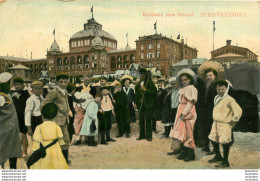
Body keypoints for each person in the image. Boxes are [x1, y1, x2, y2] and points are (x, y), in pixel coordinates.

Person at [208, 80, 242, 168]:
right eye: (219, 89)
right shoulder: (216, 97)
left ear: (226, 89)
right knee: (213, 139)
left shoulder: (229, 99)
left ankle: (225, 161)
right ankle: (218, 156)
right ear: (216, 89)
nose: (220, 91)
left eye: (222, 89)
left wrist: (234, 120)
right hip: (216, 122)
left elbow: (238, 110)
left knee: (224, 142)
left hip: (225, 123)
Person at [168, 69, 198, 162]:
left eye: (186, 79)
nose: (184, 81)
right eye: (183, 80)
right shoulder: (182, 89)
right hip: (181, 111)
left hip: (188, 112)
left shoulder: (192, 88)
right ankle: (184, 152)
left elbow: (190, 103)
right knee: (182, 133)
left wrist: (184, 113)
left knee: (189, 134)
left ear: (190, 79)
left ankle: (191, 154)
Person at [41, 72, 71, 164]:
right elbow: (44, 104)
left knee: (66, 140)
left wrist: (68, 114)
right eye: (61, 82)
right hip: (56, 120)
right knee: (55, 140)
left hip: (64, 119)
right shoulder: (54, 92)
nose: (63, 84)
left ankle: (64, 159)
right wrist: (50, 115)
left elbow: (66, 104)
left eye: (65, 82)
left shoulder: (65, 91)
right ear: (57, 82)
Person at [30, 103, 69, 169]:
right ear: (55, 115)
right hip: (55, 147)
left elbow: (37, 140)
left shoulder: (39, 127)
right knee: (57, 164)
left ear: (42, 115)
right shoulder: (57, 126)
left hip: (43, 148)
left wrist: (35, 150)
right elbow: (60, 138)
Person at [0, 72, 22, 169]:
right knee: (5, 151)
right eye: (10, 83)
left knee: (11, 151)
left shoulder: (6, 95)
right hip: (5, 130)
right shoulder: (2, 97)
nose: (12, 85)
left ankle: (11, 170)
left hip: (10, 129)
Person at [135, 68, 157, 141]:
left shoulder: (149, 83)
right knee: (141, 120)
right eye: (141, 74)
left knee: (148, 120)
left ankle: (149, 136)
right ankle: (142, 135)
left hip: (148, 104)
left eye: (143, 74)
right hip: (140, 104)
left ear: (146, 75)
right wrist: (138, 100)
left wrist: (146, 90)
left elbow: (154, 93)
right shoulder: (138, 84)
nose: (142, 76)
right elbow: (137, 94)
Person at [10, 77, 30, 158]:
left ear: (22, 85)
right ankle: (14, 151)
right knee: (14, 135)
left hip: (23, 117)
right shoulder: (10, 93)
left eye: (19, 85)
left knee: (23, 135)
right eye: (15, 85)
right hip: (13, 117)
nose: (17, 86)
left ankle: (24, 151)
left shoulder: (26, 93)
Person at [202, 69, 218, 154]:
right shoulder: (206, 85)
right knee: (206, 129)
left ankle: (215, 149)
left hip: (213, 110)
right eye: (207, 76)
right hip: (206, 110)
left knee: (212, 130)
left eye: (210, 75)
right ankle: (206, 146)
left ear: (215, 76)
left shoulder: (217, 85)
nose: (208, 77)